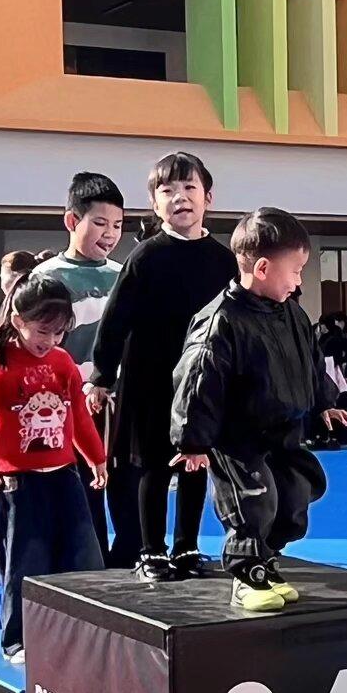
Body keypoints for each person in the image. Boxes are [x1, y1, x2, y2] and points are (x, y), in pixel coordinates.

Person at [173, 208, 347, 613]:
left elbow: (311, 362)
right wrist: (193, 440)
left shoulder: (292, 314)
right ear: (264, 268)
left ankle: (266, 560)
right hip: (237, 437)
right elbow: (198, 379)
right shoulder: (221, 320)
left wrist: (323, 403)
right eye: (296, 271)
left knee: (295, 494)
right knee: (254, 501)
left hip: (284, 429)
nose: (299, 281)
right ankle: (245, 575)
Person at [88, 150, 238, 582]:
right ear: (155, 204)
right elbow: (115, 319)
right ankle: (151, 549)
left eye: (190, 187)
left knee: (196, 461)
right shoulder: (145, 257)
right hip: (150, 378)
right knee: (153, 465)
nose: (180, 198)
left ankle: (187, 546)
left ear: (208, 197)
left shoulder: (223, 260)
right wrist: (102, 375)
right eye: (168, 190)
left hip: (203, 380)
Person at [0, 276, 107, 665]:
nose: (51, 340)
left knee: (84, 555)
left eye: (59, 332)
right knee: (25, 562)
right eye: (43, 331)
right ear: (17, 320)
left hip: (64, 475)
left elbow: (78, 416)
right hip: (18, 484)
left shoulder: (62, 362)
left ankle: (86, 630)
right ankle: (17, 639)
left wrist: (96, 457)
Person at [36, 172, 132, 563]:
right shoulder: (47, 279)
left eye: (118, 225)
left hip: (121, 410)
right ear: (72, 220)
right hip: (69, 411)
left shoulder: (124, 275)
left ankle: (130, 567)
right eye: (101, 223)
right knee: (81, 505)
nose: (110, 234)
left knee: (129, 500)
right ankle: (88, 572)